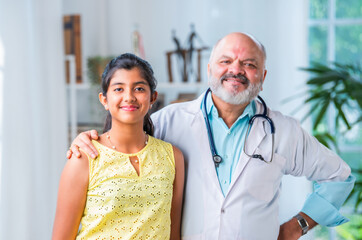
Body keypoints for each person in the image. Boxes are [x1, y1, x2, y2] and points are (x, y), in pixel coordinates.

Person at [67, 33, 355, 240]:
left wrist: (296, 227)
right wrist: (87, 140)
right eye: (226, 61)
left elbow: (340, 178)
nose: (236, 70)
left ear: (263, 77)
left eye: (249, 64)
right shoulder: (170, 121)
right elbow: (120, 144)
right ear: (209, 70)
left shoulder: (284, 131)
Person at [52, 53, 184, 239]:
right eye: (118, 89)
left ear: (153, 98)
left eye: (139, 88)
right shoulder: (84, 158)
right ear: (104, 99)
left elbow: (173, 234)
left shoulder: (173, 157)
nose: (129, 97)